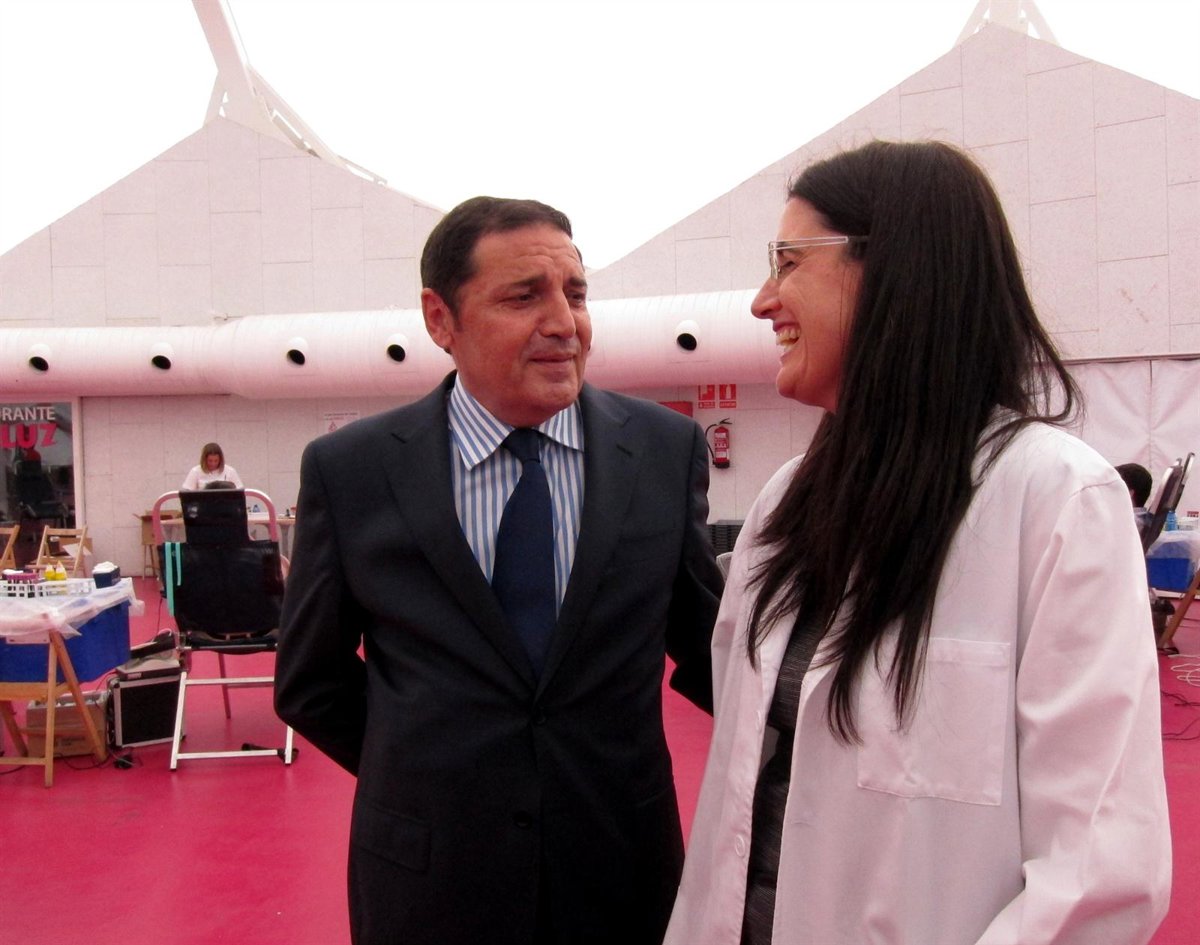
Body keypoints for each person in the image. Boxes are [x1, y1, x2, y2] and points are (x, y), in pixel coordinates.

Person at [665, 141, 1171, 945]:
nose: (763, 301)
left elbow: (1098, 871)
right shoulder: (784, 504)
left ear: (897, 270)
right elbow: (738, 791)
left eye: (789, 262)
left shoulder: (1055, 502)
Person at [275, 196, 722, 945]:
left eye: (576, 294)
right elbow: (310, 681)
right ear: (440, 318)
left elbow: (713, 650)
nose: (564, 323)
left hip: (622, 869)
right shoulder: (353, 470)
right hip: (429, 880)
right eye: (524, 297)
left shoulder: (663, 451)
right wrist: (429, 776)